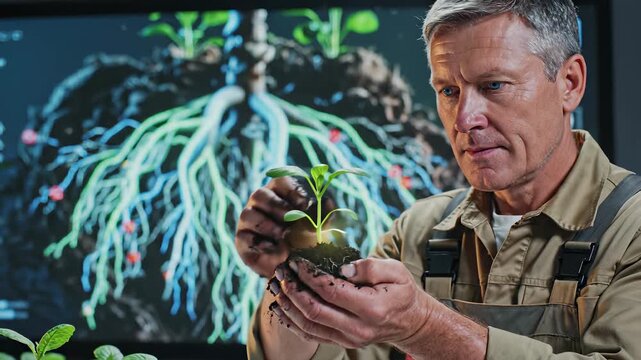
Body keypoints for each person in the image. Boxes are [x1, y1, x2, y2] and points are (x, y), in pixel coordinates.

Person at [235, 0, 641, 359]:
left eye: (493, 85)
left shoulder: (631, 229)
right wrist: (292, 279)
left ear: (569, 83)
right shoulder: (417, 232)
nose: (464, 119)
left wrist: (423, 328)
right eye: (448, 91)